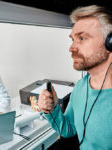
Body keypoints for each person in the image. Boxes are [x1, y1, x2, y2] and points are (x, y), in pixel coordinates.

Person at [38, 5, 112, 150]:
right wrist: (52, 109)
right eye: (73, 39)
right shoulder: (80, 87)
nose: (71, 48)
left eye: (82, 38)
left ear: (110, 42)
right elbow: (68, 129)